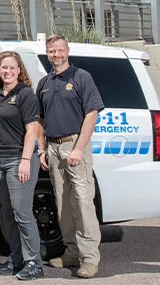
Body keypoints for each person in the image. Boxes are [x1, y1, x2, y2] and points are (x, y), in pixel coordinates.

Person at [36, 34, 104, 279]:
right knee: (63, 204)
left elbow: (92, 114)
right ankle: (72, 251)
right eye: (52, 51)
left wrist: (78, 148)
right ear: (47, 52)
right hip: (53, 148)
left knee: (83, 203)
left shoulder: (81, 77)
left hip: (74, 145)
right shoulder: (44, 82)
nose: (56, 54)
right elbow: (41, 120)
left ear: (67, 50)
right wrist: (41, 149)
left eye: (60, 50)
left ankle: (89, 258)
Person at [0, 51, 44, 280]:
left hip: (19, 160)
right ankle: (17, 259)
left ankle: (34, 262)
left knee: (22, 212)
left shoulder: (26, 95)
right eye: (2, 68)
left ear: (19, 70)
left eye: (11, 68)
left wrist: (26, 160)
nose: (6, 72)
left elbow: (32, 131)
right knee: (7, 213)